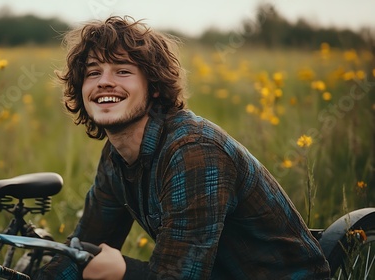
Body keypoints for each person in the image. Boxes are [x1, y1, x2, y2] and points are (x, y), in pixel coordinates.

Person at [39, 15, 331, 279]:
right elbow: (83, 248)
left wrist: (123, 272)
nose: (104, 82)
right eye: (93, 73)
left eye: (122, 71)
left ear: (153, 86)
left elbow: (179, 276)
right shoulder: (116, 156)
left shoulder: (195, 152)